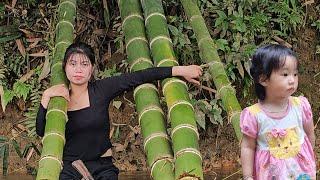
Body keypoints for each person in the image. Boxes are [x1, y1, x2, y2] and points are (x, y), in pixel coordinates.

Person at [36, 42, 203, 180]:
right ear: (65, 67)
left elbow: (138, 77)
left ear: (92, 68)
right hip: (72, 168)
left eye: (84, 64)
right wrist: (45, 97)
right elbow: (42, 131)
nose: (78, 69)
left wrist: (180, 70)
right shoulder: (59, 100)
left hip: (102, 167)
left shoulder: (101, 90)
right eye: (73, 64)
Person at [240, 44, 316, 179]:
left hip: (301, 173)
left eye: (295, 74)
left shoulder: (300, 106)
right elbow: (248, 147)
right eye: (285, 74)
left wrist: (311, 159)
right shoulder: (254, 115)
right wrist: (248, 176)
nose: (292, 80)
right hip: (270, 174)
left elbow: (310, 135)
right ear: (263, 79)